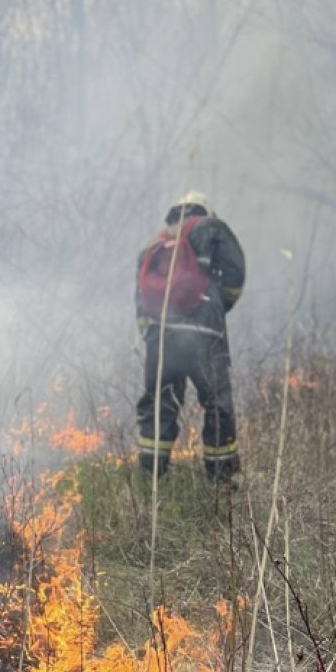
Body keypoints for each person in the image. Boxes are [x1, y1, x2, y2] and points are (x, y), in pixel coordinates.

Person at [135, 190, 245, 483]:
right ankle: (223, 483)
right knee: (216, 403)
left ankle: (151, 478)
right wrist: (217, 305)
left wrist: (151, 330)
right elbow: (235, 274)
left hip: (161, 337)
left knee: (160, 403)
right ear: (204, 209)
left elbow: (141, 295)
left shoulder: (155, 242)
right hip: (204, 335)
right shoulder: (212, 228)